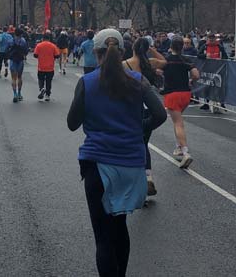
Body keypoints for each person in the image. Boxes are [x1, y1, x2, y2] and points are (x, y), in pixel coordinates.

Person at [67, 29, 166, 277]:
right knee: (119, 227)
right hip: (130, 164)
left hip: (97, 163)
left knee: (102, 236)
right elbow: (160, 114)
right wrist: (139, 129)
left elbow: (72, 123)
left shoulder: (87, 81)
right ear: (122, 52)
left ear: (96, 52)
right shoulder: (137, 80)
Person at [123, 37, 166, 197]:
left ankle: (139, 181)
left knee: (134, 144)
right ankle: (147, 176)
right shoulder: (151, 62)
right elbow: (164, 62)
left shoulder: (125, 64)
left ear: (133, 48)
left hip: (133, 106)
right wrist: (152, 49)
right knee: (144, 143)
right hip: (150, 106)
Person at [160, 37, 199, 168]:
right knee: (178, 120)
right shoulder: (186, 60)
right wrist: (191, 81)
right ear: (182, 47)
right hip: (186, 94)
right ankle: (178, 146)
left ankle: (185, 151)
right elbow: (196, 74)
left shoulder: (167, 60)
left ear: (171, 46)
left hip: (172, 94)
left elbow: (159, 70)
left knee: (178, 123)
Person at [33, 31, 60, 101]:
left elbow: (35, 55)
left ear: (43, 38)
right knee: (49, 81)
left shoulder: (39, 45)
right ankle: (47, 95)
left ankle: (42, 88)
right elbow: (57, 55)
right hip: (50, 67)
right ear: (49, 39)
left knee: (40, 79)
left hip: (41, 66)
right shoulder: (53, 46)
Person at [7, 29, 29, 102]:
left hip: (13, 60)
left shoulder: (11, 40)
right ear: (21, 34)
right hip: (20, 60)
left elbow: (8, 50)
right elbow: (26, 51)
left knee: (13, 78)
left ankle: (15, 94)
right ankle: (19, 93)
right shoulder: (23, 41)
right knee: (19, 77)